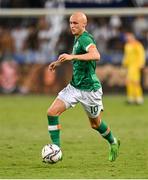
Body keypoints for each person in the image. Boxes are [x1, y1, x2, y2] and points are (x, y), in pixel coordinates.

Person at [47, 12, 120, 162]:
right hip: (75, 87)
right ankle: (56, 150)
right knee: (52, 113)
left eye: (75, 23)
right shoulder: (77, 38)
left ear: (83, 25)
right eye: (70, 23)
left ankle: (113, 141)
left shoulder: (86, 38)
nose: (72, 26)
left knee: (95, 124)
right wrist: (60, 62)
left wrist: (72, 56)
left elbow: (96, 55)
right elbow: (79, 60)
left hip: (90, 90)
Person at [122, 29, 145, 105]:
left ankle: (139, 98)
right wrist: (124, 64)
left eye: (128, 36)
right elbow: (126, 56)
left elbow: (141, 55)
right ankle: (131, 98)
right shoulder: (127, 45)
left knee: (135, 82)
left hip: (136, 66)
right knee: (128, 82)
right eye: (126, 36)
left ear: (132, 36)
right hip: (129, 67)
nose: (127, 38)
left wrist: (141, 64)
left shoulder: (137, 44)